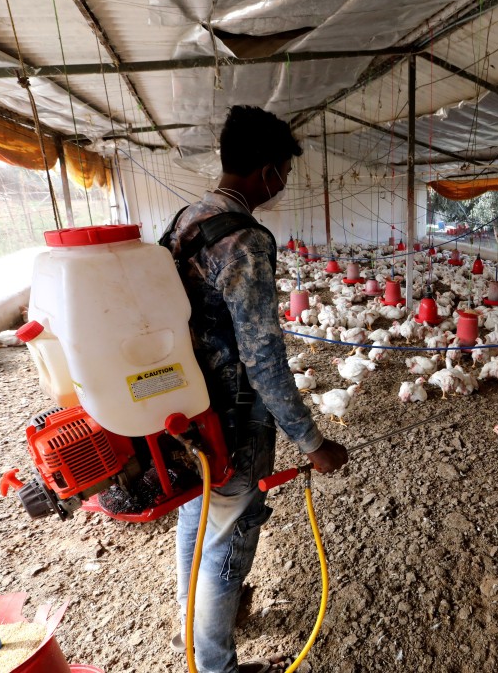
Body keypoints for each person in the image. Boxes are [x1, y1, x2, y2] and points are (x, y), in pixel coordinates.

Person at [161, 105, 349, 673]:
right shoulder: (244, 240)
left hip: (186, 406)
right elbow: (263, 358)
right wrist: (313, 442)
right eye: (284, 174)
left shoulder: (184, 221)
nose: (282, 184)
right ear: (269, 171)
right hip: (234, 420)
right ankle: (214, 664)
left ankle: (195, 630)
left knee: (199, 516)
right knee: (228, 539)